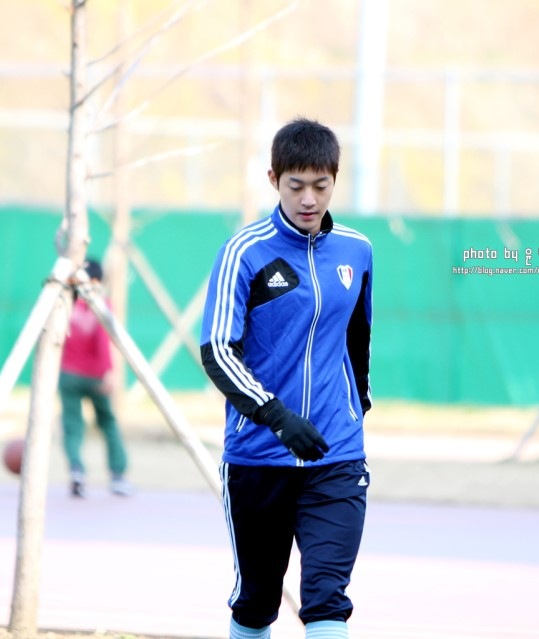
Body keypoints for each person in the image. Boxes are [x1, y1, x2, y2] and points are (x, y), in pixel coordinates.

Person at [200, 117, 373, 639]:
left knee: (327, 600)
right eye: (296, 185)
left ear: (335, 179)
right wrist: (277, 417)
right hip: (259, 456)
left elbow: (358, 336)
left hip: (336, 453)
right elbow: (217, 351)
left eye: (321, 185)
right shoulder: (244, 252)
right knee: (257, 603)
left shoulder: (357, 250)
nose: (309, 199)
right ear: (274, 179)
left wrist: (357, 405)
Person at [59, 258, 132, 498]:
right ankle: (118, 475)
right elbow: (103, 340)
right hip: (95, 374)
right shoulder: (101, 304)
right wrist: (109, 371)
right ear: (97, 281)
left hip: (68, 373)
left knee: (72, 425)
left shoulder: (65, 304)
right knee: (108, 422)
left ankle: (76, 470)